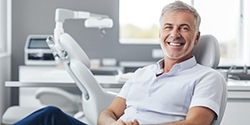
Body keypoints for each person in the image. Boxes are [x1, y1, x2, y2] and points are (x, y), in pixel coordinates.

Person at [13, 1, 225, 125]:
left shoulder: (207, 77)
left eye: (184, 28)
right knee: (49, 115)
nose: (175, 34)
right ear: (160, 33)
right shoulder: (142, 74)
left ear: (196, 38)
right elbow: (106, 114)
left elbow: (195, 124)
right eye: (168, 27)